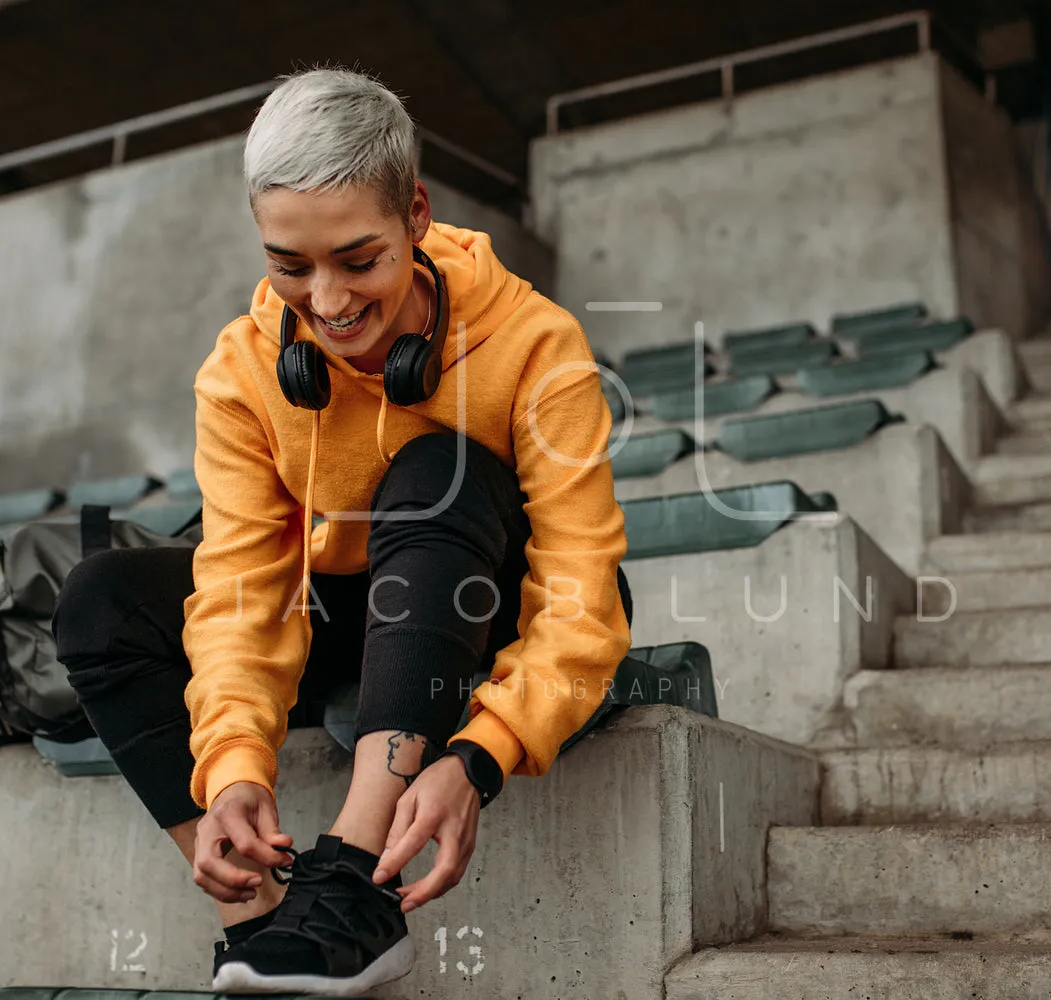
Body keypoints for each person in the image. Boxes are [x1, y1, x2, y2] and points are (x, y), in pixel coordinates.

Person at [52, 66, 634, 997]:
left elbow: (584, 602)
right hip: (348, 614)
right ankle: (260, 924)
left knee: (437, 469)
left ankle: (356, 883)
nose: (325, 303)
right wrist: (233, 762)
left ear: (416, 214)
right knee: (100, 601)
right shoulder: (241, 369)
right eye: (290, 266)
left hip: (475, 612)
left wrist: (478, 758)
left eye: (358, 261)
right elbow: (243, 586)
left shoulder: (535, 341)